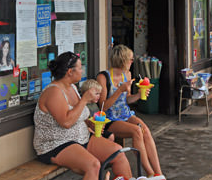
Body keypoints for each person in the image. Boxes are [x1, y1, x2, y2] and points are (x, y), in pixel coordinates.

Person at [33, 52, 133, 180]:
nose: (82, 70)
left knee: (118, 153)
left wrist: (90, 123)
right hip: (56, 143)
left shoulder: (72, 87)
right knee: (93, 165)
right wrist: (84, 99)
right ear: (70, 72)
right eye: (80, 68)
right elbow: (66, 122)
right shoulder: (53, 92)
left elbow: (79, 114)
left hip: (81, 137)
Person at [97, 45, 166, 180]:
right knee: (136, 131)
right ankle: (150, 173)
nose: (132, 61)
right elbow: (102, 107)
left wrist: (139, 95)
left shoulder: (126, 75)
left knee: (145, 129)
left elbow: (127, 100)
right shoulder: (103, 77)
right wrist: (119, 90)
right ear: (122, 60)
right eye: (131, 59)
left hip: (125, 114)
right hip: (109, 119)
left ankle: (159, 174)